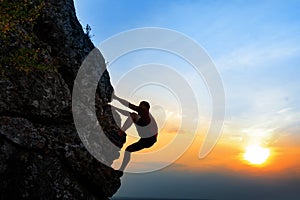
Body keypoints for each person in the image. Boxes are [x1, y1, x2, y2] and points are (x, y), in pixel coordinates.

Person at [110, 94, 158, 173]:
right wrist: (114, 107)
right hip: (147, 140)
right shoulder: (143, 113)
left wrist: (116, 98)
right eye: (140, 106)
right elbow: (128, 110)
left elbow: (129, 106)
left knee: (132, 115)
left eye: (142, 107)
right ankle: (121, 170)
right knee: (128, 150)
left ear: (147, 109)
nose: (140, 108)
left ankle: (121, 132)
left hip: (149, 139)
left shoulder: (146, 115)